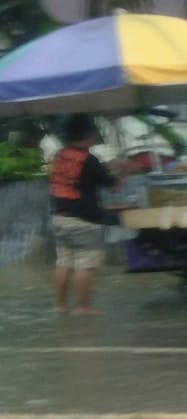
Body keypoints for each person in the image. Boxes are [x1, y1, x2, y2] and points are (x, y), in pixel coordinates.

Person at [48, 113, 126, 313]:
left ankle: (60, 305)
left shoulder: (58, 156)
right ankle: (82, 307)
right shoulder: (89, 160)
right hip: (85, 222)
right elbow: (114, 186)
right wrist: (124, 170)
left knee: (64, 262)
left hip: (59, 218)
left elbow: (77, 178)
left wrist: (104, 168)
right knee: (85, 264)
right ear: (89, 134)